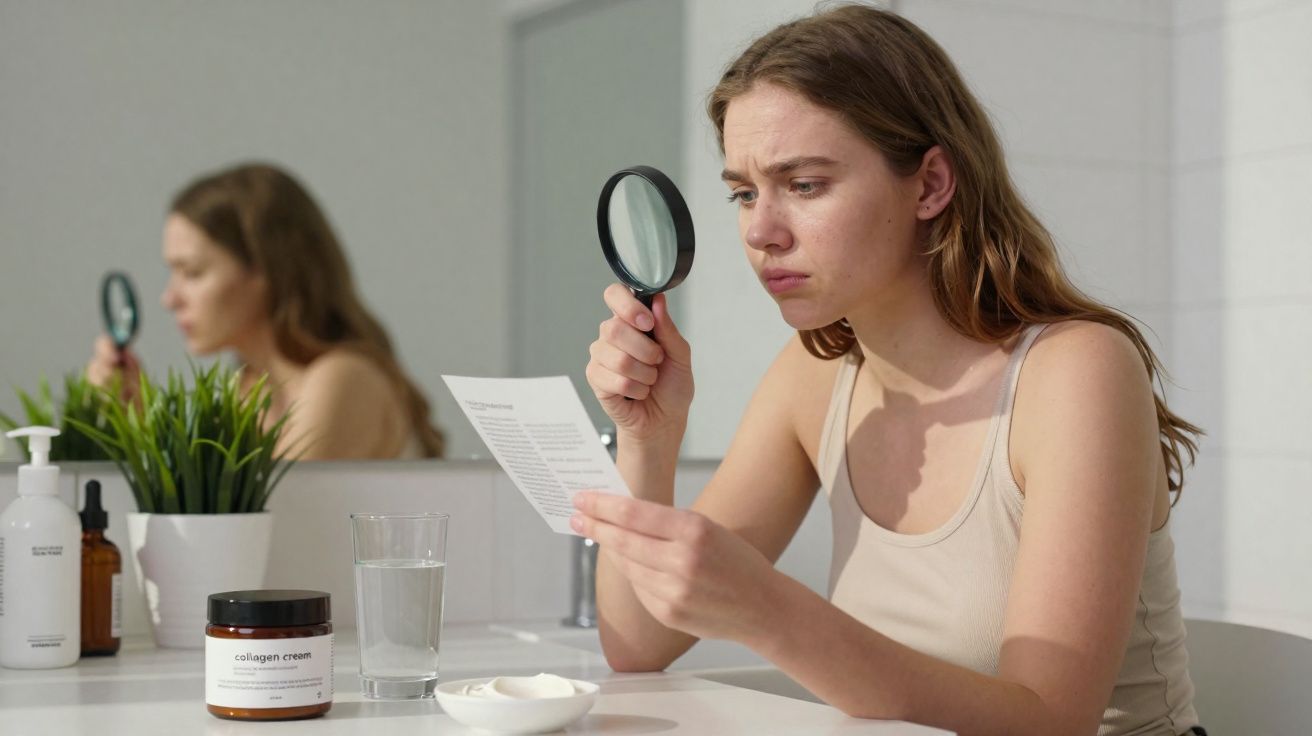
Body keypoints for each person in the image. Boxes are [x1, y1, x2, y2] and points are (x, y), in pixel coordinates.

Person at [572, 6, 1204, 735]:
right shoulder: (813, 379)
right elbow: (637, 642)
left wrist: (771, 611)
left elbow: (1052, 722)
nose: (759, 230)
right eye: (744, 192)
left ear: (930, 185)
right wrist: (649, 440)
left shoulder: (1076, 374)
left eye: (803, 185)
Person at [86, 162, 444, 460]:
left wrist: (146, 429)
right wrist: (136, 419)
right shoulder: (241, 391)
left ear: (265, 268)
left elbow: (272, 520)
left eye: (193, 272)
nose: (169, 298)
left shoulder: (343, 378)